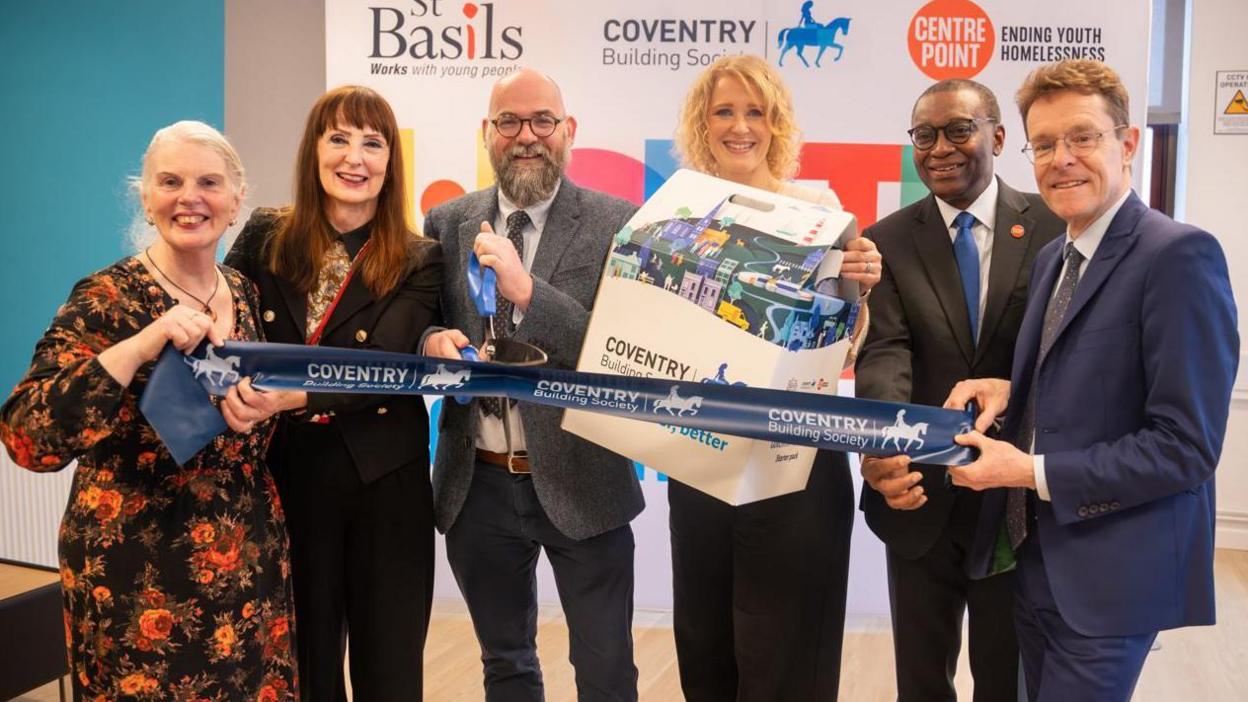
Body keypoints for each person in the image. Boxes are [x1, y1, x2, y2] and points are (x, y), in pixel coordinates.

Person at [945, 59, 1238, 701]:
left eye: (1083, 137)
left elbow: (1184, 447)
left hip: (1111, 579)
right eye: (1045, 144)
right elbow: (1091, 383)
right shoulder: (1057, 255)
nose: (1062, 159)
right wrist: (1011, 389)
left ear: (1127, 144)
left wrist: (1027, 472)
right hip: (1036, 563)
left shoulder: (1179, 256)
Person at [0, 121, 299, 700]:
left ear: (237, 200)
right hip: (136, 576)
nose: (190, 197)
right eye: (170, 181)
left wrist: (267, 405)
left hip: (249, 565)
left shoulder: (247, 292)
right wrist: (140, 344)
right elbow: (26, 435)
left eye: (209, 182)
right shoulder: (106, 297)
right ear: (145, 196)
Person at [421, 68, 643, 701]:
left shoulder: (618, 222)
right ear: (486, 133)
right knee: (506, 663)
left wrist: (526, 291)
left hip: (586, 480)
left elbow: (620, 352)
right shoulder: (445, 221)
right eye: (509, 122)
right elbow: (421, 325)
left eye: (542, 120)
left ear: (568, 131)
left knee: (606, 671)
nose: (527, 136)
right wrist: (430, 342)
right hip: (477, 483)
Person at [668, 53, 880, 701]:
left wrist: (858, 288)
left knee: (790, 655)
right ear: (702, 123)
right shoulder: (680, 209)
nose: (740, 127)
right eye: (724, 111)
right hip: (702, 459)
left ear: (775, 123)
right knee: (705, 649)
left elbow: (845, 348)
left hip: (796, 463)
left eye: (755, 112)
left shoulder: (818, 212)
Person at [224, 86, 443, 701]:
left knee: (390, 667)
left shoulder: (421, 258)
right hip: (287, 477)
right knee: (302, 663)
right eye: (339, 138)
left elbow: (381, 366)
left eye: (372, 143)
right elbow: (230, 320)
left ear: (390, 162)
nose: (355, 157)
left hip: (385, 482)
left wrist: (285, 398)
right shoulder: (267, 234)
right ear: (313, 151)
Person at [854, 78, 1065, 701]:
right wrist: (885, 441)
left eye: (958, 130)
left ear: (998, 137)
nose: (940, 148)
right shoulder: (887, 238)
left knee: (1007, 676)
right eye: (925, 135)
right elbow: (885, 350)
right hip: (919, 494)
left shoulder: (1056, 226)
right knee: (921, 679)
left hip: (1018, 499)